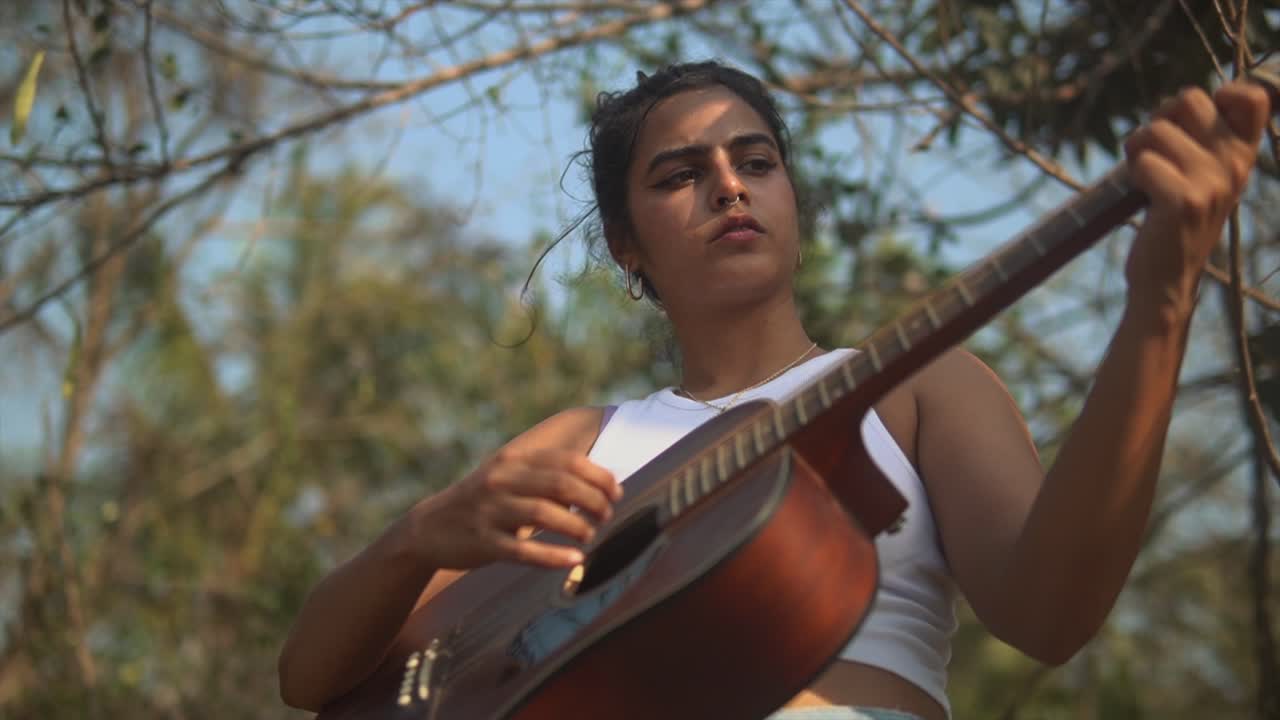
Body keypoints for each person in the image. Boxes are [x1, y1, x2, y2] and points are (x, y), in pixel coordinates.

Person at [277, 61, 1272, 720]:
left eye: (755, 161)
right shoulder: (585, 438)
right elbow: (314, 680)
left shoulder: (919, 387)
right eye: (678, 175)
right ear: (627, 247)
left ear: (792, 202)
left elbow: (1050, 614)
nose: (727, 185)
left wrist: (1160, 298)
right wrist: (416, 536)